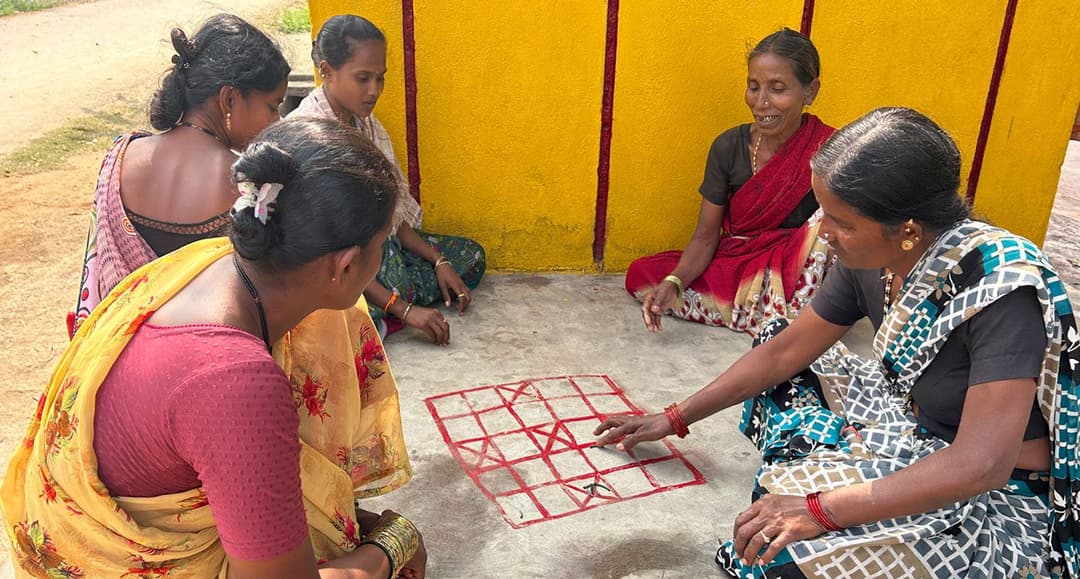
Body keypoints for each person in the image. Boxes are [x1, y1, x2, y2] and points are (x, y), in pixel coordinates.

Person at [597, 108, 1080, 577]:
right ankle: (819, 478)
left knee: (774, 560)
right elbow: (785, 353)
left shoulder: (1000, 289)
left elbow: (982, 465)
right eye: (823, 214)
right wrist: (674, 417)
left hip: (986, 489)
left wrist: (821, 511)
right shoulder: (867, 258)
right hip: (905, 424)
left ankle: (818, 481)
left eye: (841, 223)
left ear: (907, 231)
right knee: (779, 340)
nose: (822, 235)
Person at [3, 117, 426, 578]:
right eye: (382, 245)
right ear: (345, 267)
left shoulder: (211, 267)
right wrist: (392, 544)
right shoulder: (235, 383)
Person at [71, 13, 291, 335]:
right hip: (206, 365)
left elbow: (95, 277)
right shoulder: (251, 186)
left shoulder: (118, 157)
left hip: (115, 358)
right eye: (273, 106)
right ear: (228, 98)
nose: (278, 121)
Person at [292, 14, 486, 346]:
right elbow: (329, 255)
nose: (374, 91)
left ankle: (382, 309)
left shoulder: (368, 126)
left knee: (470, 256)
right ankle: (382, 311)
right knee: (359, 285)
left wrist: (439, 261)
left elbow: (393, 219)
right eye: (363, 78)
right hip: (339, 266)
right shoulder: (311, 137)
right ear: (326, 70)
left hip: (380, 252)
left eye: (380, 79)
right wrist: (407, 310)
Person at [626, 28, 834, 336]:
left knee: (828, 223)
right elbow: (706, 237)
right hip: (740, 266)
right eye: (753, 87)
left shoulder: (831, 148)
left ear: (811, 91)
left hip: (798, 271)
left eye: (777, 88)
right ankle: (775, 316)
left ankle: (778, 314)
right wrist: (673, 283)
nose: (761, 102)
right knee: (642, 275)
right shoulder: (727, 147)